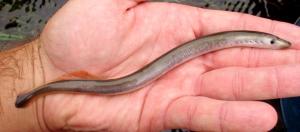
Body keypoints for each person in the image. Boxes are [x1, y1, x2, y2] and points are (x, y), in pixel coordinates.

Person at [1, 0, 300, 131]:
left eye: (271, 43)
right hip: (115, 82)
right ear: (259, 41)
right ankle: (33, 92)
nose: (274, 44)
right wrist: (39, 68)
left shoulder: (245, 39)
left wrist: (38, 67)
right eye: (272, 42)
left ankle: (34, 91)